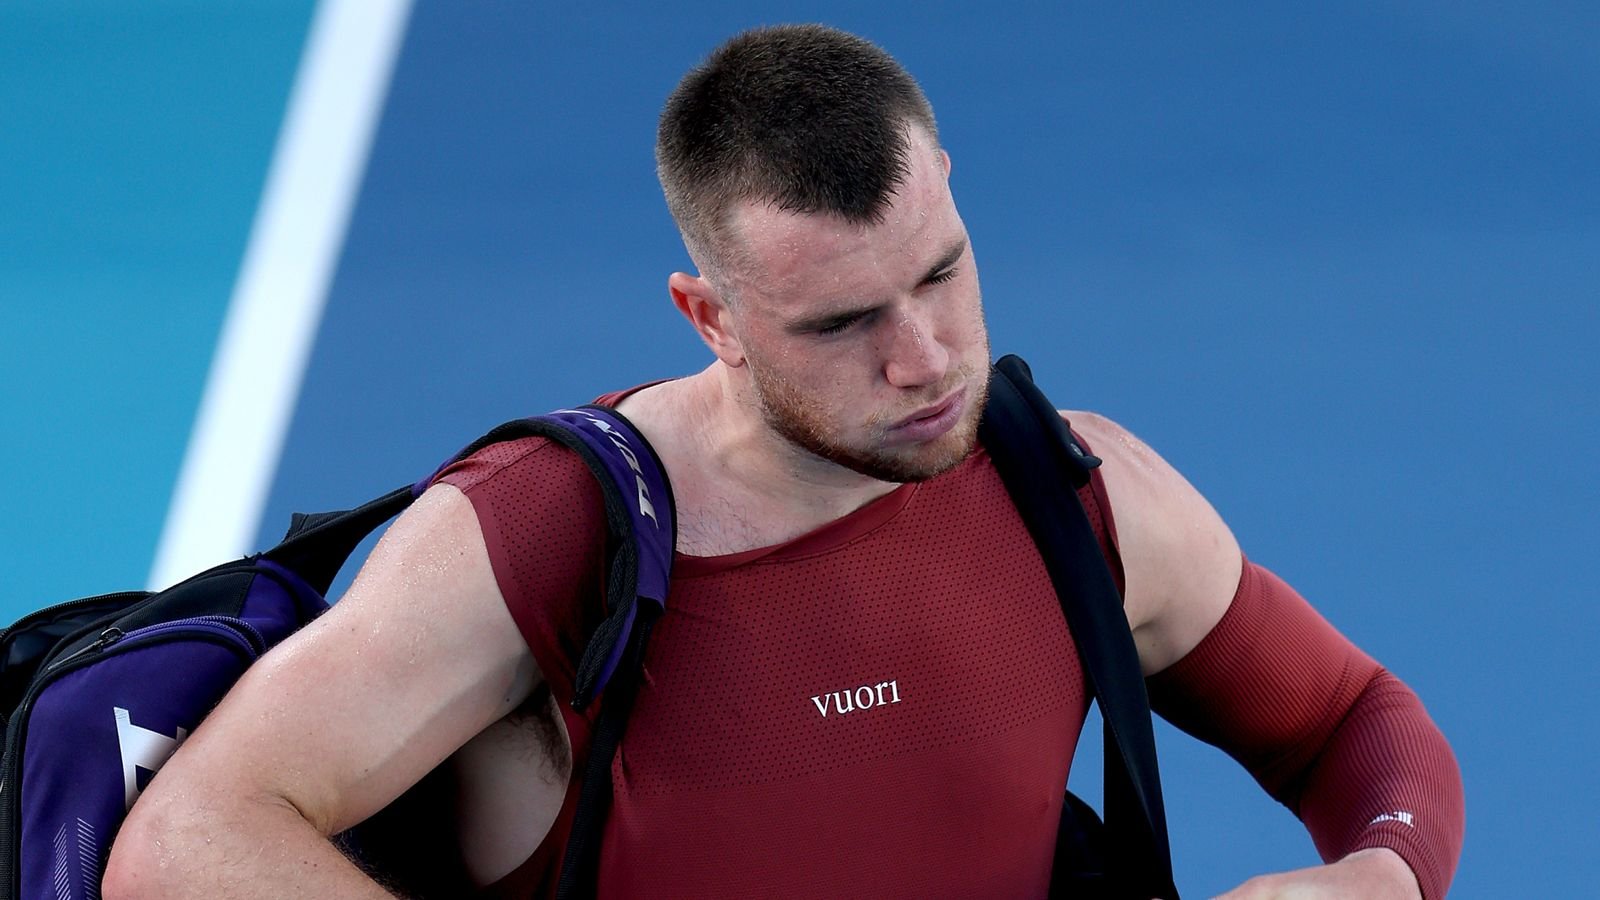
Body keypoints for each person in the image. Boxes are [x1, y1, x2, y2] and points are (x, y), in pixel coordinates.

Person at [104, 23, 1464, 900]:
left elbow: (1359, 727)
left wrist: (1378, 882)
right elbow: (189, 842)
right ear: (712, 321)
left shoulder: (1079, 501)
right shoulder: (549, 538)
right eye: (845, 322)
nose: (927, 358)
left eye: (941, 273)